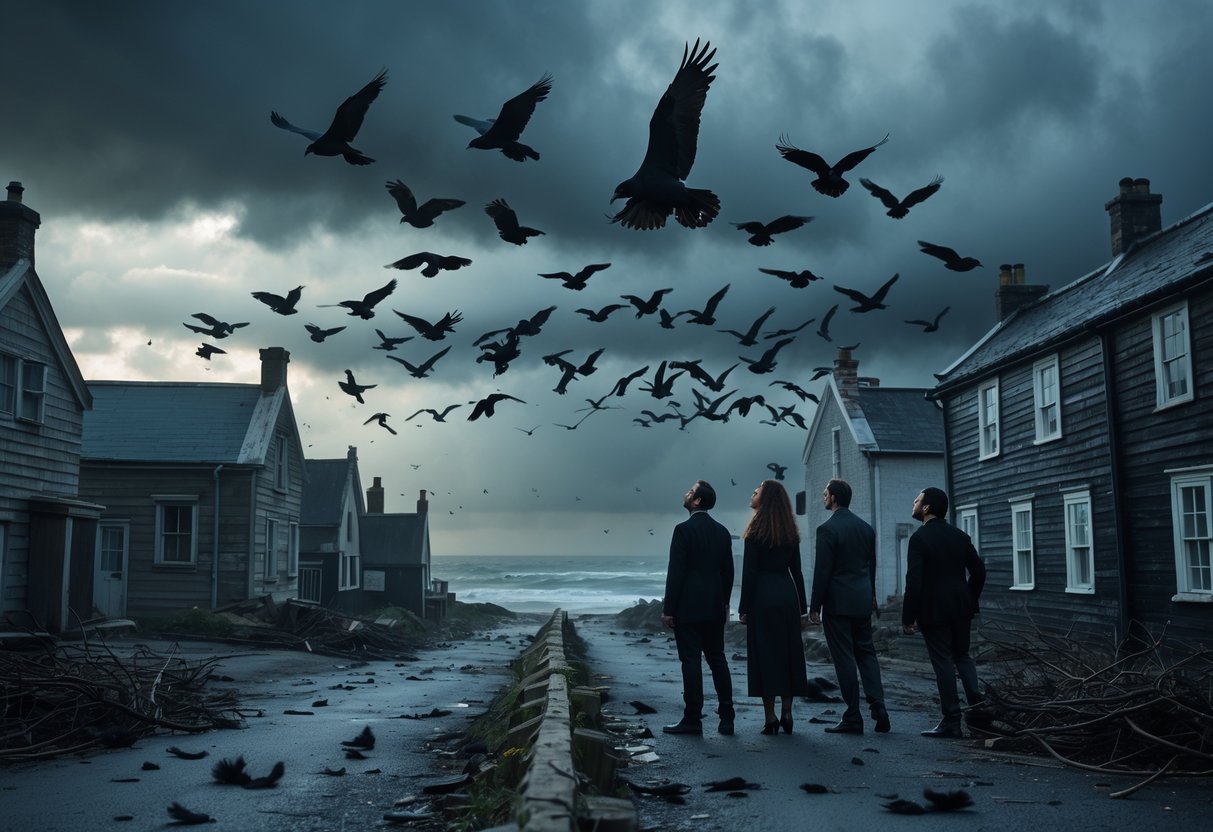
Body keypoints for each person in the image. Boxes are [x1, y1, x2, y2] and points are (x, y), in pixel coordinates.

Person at [902, 487, 987, 738]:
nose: (914, 503)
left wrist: (908, 617)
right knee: (963, 656)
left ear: (927, 508)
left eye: (917, 500)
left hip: (933, 610)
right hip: (961, 608)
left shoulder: (919, 538)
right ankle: (979, 711)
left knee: (943, 661)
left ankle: (952, 720)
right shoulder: (960, 536)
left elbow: (913, 582)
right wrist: (969, 598)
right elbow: (979, 571)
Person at [808, 479, 891, 734]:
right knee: (866, 652)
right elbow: (871, 567)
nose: (823, 497)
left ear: (834, 497)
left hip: (837, 603)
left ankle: (853, 715)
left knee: (844, 657)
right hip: (862, 600)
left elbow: (822, 571)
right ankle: (878, 704)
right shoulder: (866, 529)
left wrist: (815, 606)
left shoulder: (827, 529)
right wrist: (872, 596)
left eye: (825, 494)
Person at [661, 479, 735, 735]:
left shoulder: (683, 530)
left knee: (691, 661)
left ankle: (693, 718)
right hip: (714, 606)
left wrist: (669, 609)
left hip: (688, 607)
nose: (686, 493)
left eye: (690, 491)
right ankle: (727, 717)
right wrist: (724, 603)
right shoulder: (722, 532)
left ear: (697, 500)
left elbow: (676, 572)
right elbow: (728, 573)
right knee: (718, 660)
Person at [737, 480, 811, 735]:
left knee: (764, 656)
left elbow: (750, 573)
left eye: (756, 491)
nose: (752, 493)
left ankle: (770, 717)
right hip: (787, 595)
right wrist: (803, 608)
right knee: (789, 652)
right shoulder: (790, 532)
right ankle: (787, 711)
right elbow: (797, 572)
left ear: (765, 499)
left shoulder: (755, 532)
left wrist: (743, 607)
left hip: (762, 597)